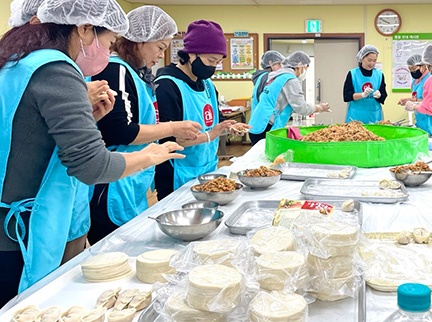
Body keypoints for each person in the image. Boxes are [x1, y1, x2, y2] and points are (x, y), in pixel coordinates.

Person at [0, 0, 185, 305]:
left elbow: (32, 136)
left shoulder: (18, 61)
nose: (109, 51)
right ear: (85, 29)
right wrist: (151, 155)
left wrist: (89, 118)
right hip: (25, 231)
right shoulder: (56, 69)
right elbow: (91, 165)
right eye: (110, 41)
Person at [86, 6, 197, 244]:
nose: (160, 56)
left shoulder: (137, 75)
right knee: (110, 248)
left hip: (133, 178)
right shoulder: (116, 70)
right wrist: (173, 128)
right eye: (159, 48)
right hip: (113, 182)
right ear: (138, 40)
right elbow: (120, 131)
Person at [154, 20, 249, 200]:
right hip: (178, 174)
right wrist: (210, 135)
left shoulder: (207, 85)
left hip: (207, 169)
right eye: (210, 60)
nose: (213, 67)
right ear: (191, 54)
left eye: (218, 62)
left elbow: (215, 121)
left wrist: (228, 127)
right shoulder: (167, 85)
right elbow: (166, 140)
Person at [9, 0, 117, 123]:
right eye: (111, 43)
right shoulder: (53, 68)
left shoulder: (14, 60)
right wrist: (75, 103)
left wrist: (78, 111)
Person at [248, 51, 330, 145]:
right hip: (265, 126)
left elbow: (283, 102)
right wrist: (319, 108)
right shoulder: (291, 80)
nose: (305, 71)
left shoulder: (279, 76)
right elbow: (301, 107)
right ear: (299, 66)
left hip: (257, 124)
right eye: (305, 68)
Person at [343, 45, 387, 124]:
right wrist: (362, 95)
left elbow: (384, 96)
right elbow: (346, 96)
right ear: (362, 58)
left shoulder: (379, 75)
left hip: (375, 115)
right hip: (356, 116)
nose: (372, 63)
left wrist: (380, 95)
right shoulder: (353, 74)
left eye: (374, 60)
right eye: (369, 60)